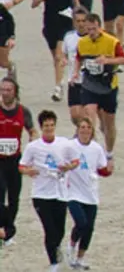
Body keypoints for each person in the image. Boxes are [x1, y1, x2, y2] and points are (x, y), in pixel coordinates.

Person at [22, 109, 77, 271]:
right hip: (41, 194)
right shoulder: (33, 147)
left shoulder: (64, 143)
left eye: (52, 125)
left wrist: (68, 167)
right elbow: (22, 165)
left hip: (60, 193)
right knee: (49, 228)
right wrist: (29, 171)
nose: (49, 129)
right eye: (46, 126)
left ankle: (57, 249)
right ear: (41, 127)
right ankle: (53, 262)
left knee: (59, 228)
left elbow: (75, 161)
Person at [72, 13, 124, 153]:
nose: (91, 33)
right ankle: (92, 150)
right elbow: (78, 58)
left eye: (94, 29)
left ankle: (109, 152)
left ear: (99, 27)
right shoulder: (83, 42)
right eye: (88, 29)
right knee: (89, 117)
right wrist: (75, 72)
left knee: (109, 124)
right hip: (89, 84)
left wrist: (108, 60)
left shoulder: (112, 41)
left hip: (108, 86)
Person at [62, 114, 106, 267]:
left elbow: (102, 168)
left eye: (88, 128)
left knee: (89, 228)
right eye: (82, 127)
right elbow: (61, 160)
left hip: (91, 192)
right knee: (81, 222)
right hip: (73, 192)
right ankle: (71, 246)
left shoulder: (97, 148)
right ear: (77, 129)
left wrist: (107, 169)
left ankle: (80, 258)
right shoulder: (70, 145)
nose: (85, 130)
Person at [0, 79, 27, 247]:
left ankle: (9, 230)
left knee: (14, 197)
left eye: (8, 90)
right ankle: (1, 228)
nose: (5, 93)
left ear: (15, 92)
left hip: (15, 159)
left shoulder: (23, 111)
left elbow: (32, 130)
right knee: (0, 193)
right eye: (2, 89)